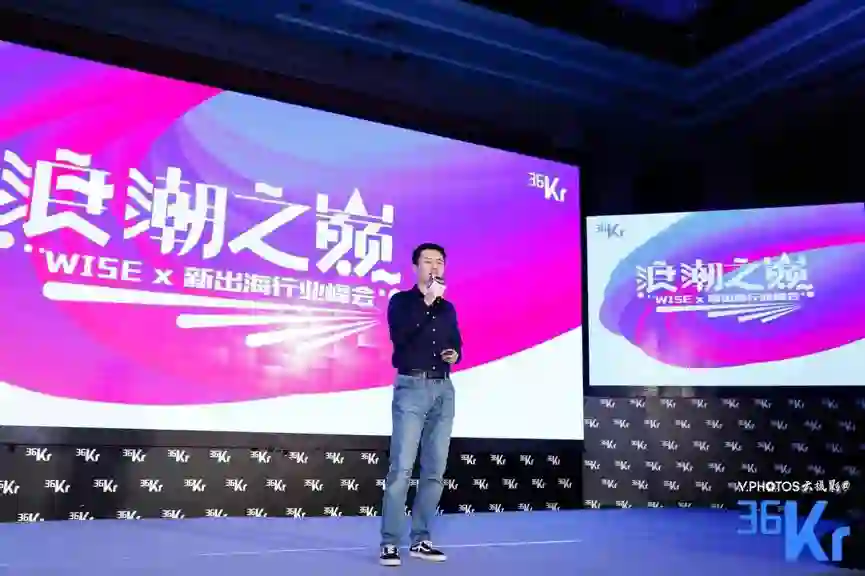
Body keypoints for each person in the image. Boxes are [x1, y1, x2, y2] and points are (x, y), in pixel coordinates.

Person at [379, 242, 462, 567]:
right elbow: (400, 337)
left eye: (439, 262)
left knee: (435, 470)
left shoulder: (448, 308)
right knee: (401, 468)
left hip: (443, 388)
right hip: (411, 388)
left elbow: (456, 342)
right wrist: (427, 301)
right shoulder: (401, 302)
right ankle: (390, 542)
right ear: (415, 267)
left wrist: (455, 354)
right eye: (428, 261)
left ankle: (421, 538)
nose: (434, 267)